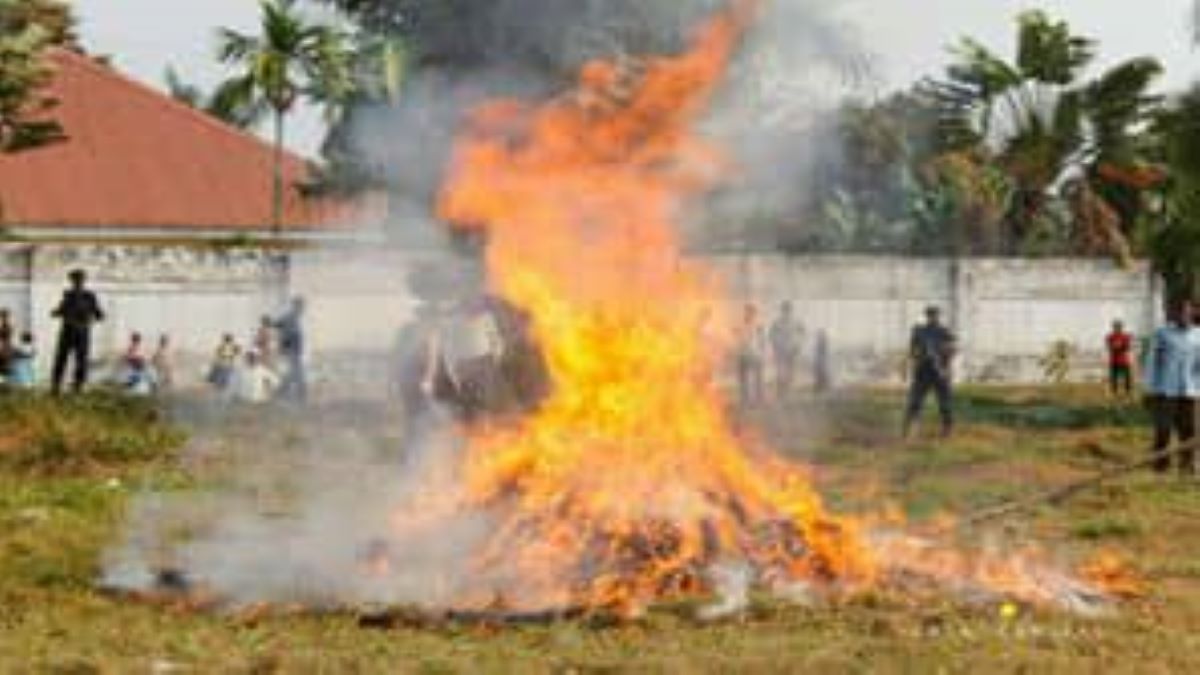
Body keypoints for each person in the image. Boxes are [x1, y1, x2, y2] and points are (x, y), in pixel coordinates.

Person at [1143, 297, 1199, 475]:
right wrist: (1149, 389)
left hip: (1189, 391)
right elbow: (1152, 363)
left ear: (1193, 312)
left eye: (1187, 312)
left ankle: (1187, 466)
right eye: (1180, 312)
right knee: (1163, 429)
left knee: (1188, 430)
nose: (1184, 316)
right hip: (1165, 391)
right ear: (1174, 314)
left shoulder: (1198, 335)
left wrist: (1197, 388)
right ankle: (1160, 467)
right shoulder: (1162, 334)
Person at [902, 306, 957, 439]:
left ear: (938, 316)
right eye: (930, 315)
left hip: (940, 373)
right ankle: (909, 429)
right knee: (915, 402)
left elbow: (952, 350)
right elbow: (912, 351)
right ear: (927, 316)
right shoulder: (919, 331)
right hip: (923, 372)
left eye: (935, 315)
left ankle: (947, 429)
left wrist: (944, 361)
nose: (933, 317)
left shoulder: (944, 332)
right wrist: (917, 356)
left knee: (945, 404)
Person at [50, 269, 105, 395]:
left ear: (83, 281)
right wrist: (56, 312)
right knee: (62, 358)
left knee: (80, 360)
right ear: (73, 281)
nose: (78, 282)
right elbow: (61, 309)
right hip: (69, 331)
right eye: (76, 280)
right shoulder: (68, 295)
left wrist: (95, 317)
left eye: (80, 280)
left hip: (80, 332)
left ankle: (77, 386)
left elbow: (98, 313)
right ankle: (57, 385)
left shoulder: (89, 296)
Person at [273, 297, 307, 403]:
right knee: (297, 373)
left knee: (293, 373)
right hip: (291, 351)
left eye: (302, 306)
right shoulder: (290, 317)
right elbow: (276, 325)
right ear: (296, 306)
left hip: (294, 351)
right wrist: (284, 345)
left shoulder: (294, 317)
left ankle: (282, 393)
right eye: (300, 306)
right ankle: (299, 395)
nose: (302, 309)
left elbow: (277, 324)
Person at [769, 301, 804, 401]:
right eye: (785, 310)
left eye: (788, 310)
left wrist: (798, 345)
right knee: (780, 373)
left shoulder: (796, 321)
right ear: (782, 310)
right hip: (781, 352)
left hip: (792, 351)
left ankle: (789, 393)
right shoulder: (777, 322)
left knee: (791, 373)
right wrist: (776, 346)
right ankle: (780, 394)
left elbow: (803, 333)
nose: (786, 312)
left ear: (790, 311)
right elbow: (771, 335)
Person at [735, 303, 766, 407]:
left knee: (758, 379)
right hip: (743, 354)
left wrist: (763, 352)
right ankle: (745, 400)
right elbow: (736, 338)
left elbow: (763, 340)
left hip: (756, 355)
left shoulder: (759, 325)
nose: (750, 314)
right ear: (745, 312)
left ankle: (759, 400)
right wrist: (738, 350)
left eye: (752, 312)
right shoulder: (740, 324)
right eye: (748, 311)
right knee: (744, 379)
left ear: (754, 313)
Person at [1105, 320, 1135, 398]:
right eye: (1115, 327)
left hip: (1124, 360)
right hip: (1114, 360)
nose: (1117, 328)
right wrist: (1118, 346)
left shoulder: (1125, 336)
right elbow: (1109, 347)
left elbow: (1127, 347)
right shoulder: (1110, 337)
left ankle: (1128, 391)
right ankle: (1114, 392)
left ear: (1121, 327)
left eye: (1118, 327)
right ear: (1113, 327)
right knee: (1113, 377)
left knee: (1127, 377)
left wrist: (1119, 346)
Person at [813, 329, 832, 395]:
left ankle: (822, 386)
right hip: (820, 362)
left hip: (822, 362)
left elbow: (824, 355)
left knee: (822, 372)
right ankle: (821, 387)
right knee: (820, 373)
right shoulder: (819, 345)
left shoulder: (823, 344)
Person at [0, 309, 14, 381]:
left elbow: (7, 334)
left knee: (6, 367)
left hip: (5, 348)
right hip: (5, 347)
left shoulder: (7, 326)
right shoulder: (6, 326)